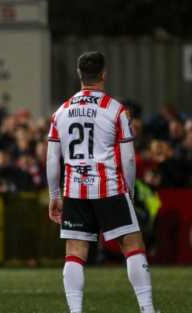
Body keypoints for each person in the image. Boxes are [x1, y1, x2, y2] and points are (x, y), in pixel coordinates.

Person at [46, 51, 157, 313]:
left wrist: (54, 195)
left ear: (79, 75)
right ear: (103, 74)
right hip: (109, 187)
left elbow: (52, 159)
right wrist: (128, 189)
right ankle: (147, 309)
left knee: (75, 251)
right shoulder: (116, 110)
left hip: (74, 189)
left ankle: (75, 311)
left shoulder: (61, 112)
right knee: (132, 245)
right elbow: (128, 159)